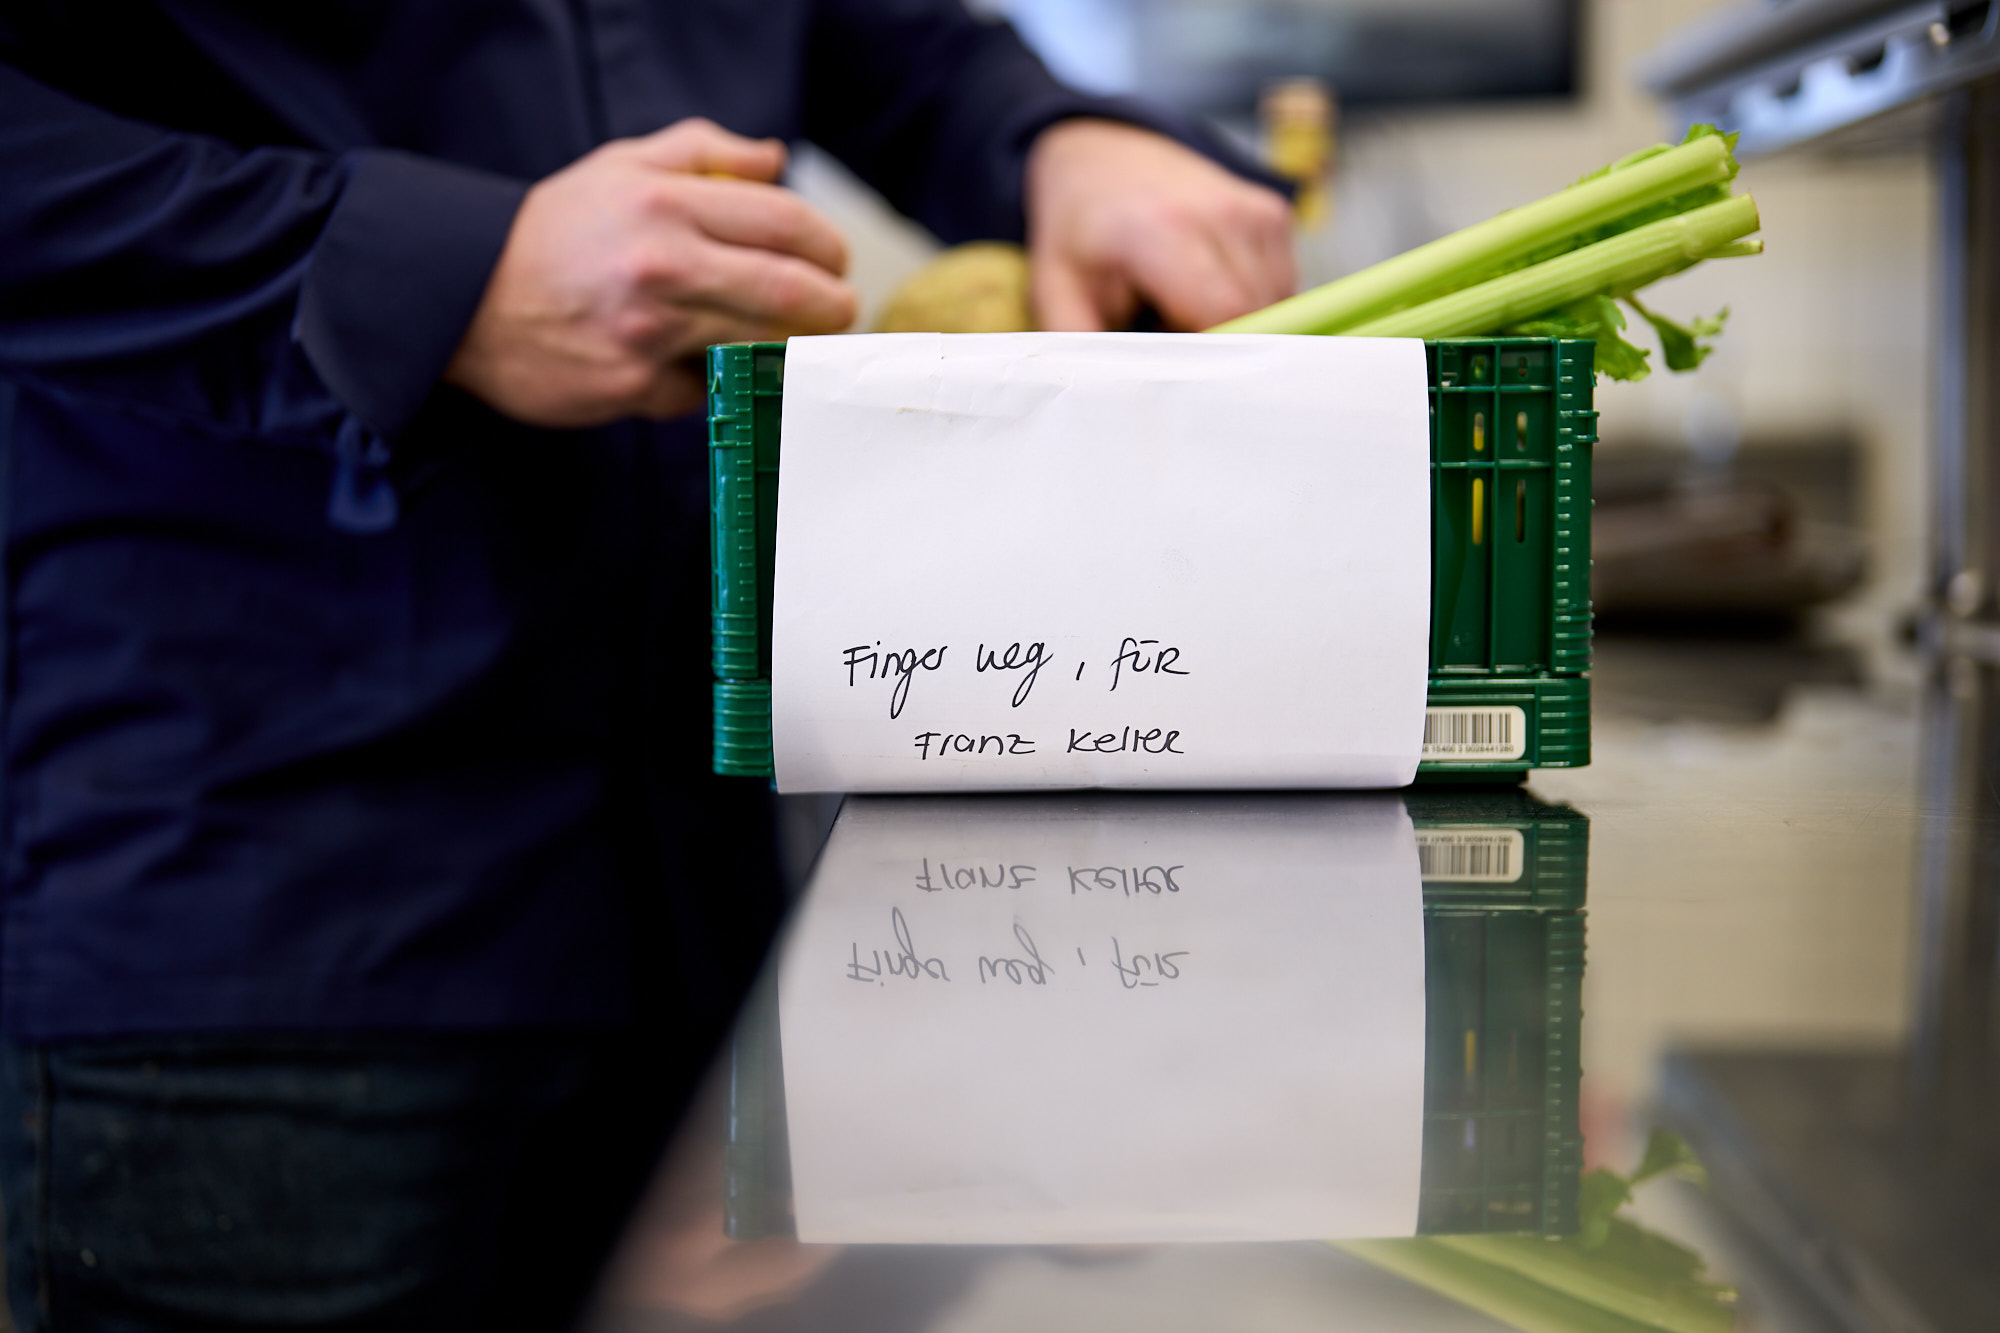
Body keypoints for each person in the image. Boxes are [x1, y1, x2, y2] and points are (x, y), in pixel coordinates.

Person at [0, 2, 1295, 1328]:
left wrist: (1045, 133)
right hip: (269, 930)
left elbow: (853, 33)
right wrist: (430, 277)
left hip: (711, 900)